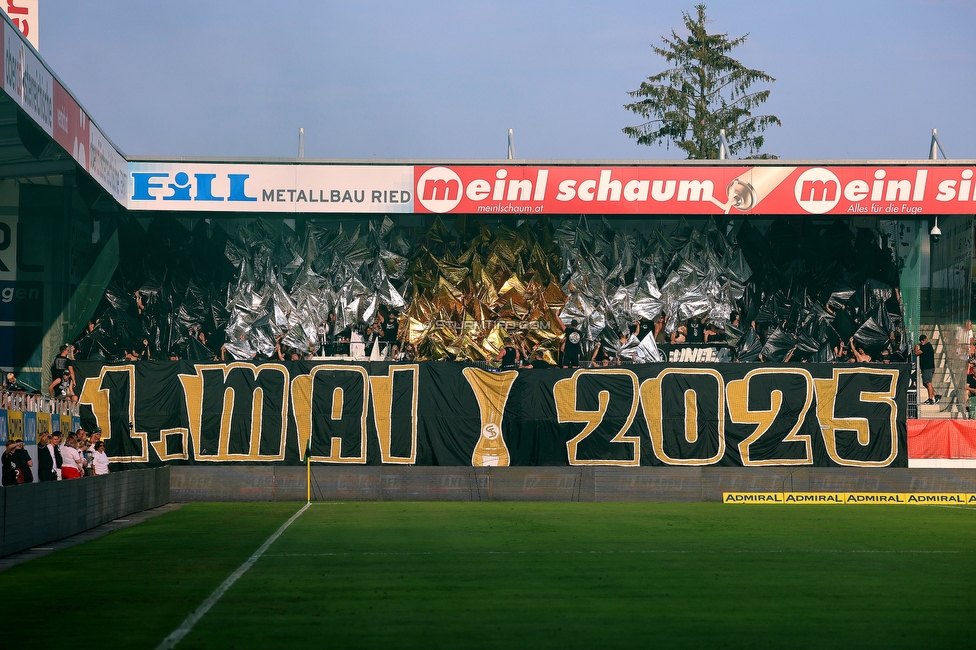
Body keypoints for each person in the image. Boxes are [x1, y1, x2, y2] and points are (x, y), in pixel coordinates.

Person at [915, 334, 940, 405]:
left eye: (923, 340)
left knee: (928, 383)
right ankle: (936, 395)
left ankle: (930, 399)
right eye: (921, 340)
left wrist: (916, 346)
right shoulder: (925, 346)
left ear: (926, 339)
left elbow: (916, 352)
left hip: (928, 368)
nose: (922, 341)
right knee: (925, 383)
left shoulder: (927, 346)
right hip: (926, 368)